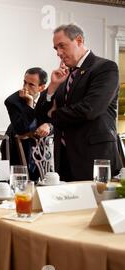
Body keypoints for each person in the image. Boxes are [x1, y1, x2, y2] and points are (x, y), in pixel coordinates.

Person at [35, 24, 121, 181]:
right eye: (56, 49)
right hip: (65, 159)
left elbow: (89, 110)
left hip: (95, 158)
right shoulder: (64, 76)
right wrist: (52, 87)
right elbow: (40, 114)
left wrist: (53, 113)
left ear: (79, 40)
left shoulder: (105, 68)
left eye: (62, 46)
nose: (59, 53)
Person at [1, 67, 52, 181]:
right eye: (24, 82)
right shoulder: (12, 101)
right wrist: (29, 104)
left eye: (31, 84)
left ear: (41, 87)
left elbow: (55, 121)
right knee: (21, 185)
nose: (25, 87)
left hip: (41, 149)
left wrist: (48, 126)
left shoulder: (47, 98)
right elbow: (21, 128)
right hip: (16, 147)